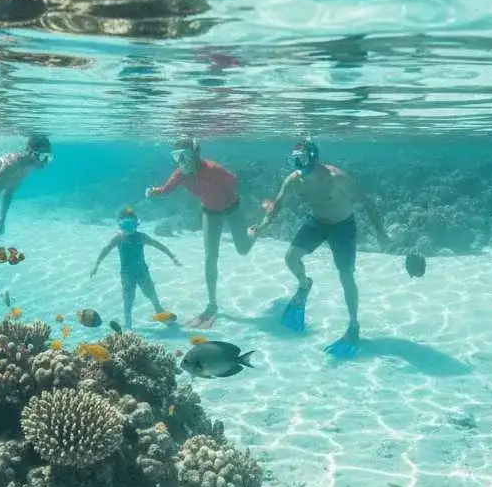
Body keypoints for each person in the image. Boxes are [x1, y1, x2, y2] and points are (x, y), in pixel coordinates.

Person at [250, 139, 391, 358]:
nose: (298, 164)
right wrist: (261, 227)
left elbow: (367, 201)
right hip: (316, 222)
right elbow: (277, 206)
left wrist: (381, 232)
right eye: (293, 160)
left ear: (313, 157)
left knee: (346, 275)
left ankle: (354, 325)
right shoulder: (293, 181)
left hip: (343, 227)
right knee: (290, 258)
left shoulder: (336, 178)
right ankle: (305, 284)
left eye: (302, 159)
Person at [144, 136, 251, 328]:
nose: (181, 161)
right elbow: (166, 189)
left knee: (243, 249)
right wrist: (154, 191)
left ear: (195, 153)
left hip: (232, 208)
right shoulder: (180, 175)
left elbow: (235, 182)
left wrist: (233, 201)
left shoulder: (214, 169)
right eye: (177, 157)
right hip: (210, 212)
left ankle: (253, 231)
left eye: (184, 155)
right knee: (210, 257)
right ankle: (211, 305)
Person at [90, 206, 181, 329]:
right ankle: (128, 325)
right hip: (127, 274)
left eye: (131, 225)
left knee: (152, 296)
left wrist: (172, 257)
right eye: (125, 226)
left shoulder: (141, 237)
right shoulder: (119, 238)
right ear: (119, 225)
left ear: (137, 224)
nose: (128, 229)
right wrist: (96, 265)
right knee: (128, 299)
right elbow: (106, 249)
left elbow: (158, 245)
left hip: (142, 272)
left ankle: (160, 314)